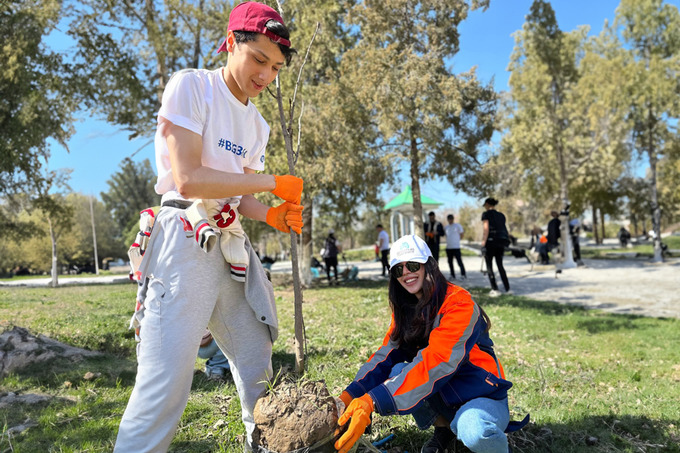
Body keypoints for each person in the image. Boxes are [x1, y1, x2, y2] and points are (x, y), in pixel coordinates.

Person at [114, 3, 303, 451]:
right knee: (167, 376)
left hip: (230, 245)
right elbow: (189, 179)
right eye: (259, 59)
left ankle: (267, 444)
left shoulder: (257, 125)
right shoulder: (193, 86)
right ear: (232, 40)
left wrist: (271, 213)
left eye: (276, 68)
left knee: (256, 358)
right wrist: (272, 181)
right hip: (184, 235)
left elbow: (241, 199)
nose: (266, 76)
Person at [335, 235, 527, 453]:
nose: (406, 273)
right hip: (445, 393)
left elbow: (437, 362)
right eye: (398, 269)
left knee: (474, 430)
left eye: (413, 265)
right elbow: (385, 357)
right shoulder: (406, 309)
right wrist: (349, 396)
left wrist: (373, 401)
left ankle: (491, 442)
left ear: (429, 265)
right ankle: (444, 429)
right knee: (397, 369)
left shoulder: (459, 304)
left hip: (481, 395)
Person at [481, 198, 510, 297]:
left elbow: (486, 229)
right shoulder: (501, 215)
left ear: (488, 204)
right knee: (500, 265)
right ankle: (507, 288)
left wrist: (483, 243)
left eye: (485, 204)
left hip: (490, 242)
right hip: (501, 242)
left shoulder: (486, 214)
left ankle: (495, 289)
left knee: (489, 266)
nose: (484, 206)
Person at [444, 214, 466, 280]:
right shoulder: (446, 227)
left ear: (453, 219)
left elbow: (462, 234)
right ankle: (452, 275)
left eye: (451, 219)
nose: (450, 220)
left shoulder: (457, 226)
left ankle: (463, 274)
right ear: (447, 220)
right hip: (449, 247)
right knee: (450, 262)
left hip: (456, 247)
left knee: (459, 261)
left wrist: (458, 240)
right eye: (449, 219)